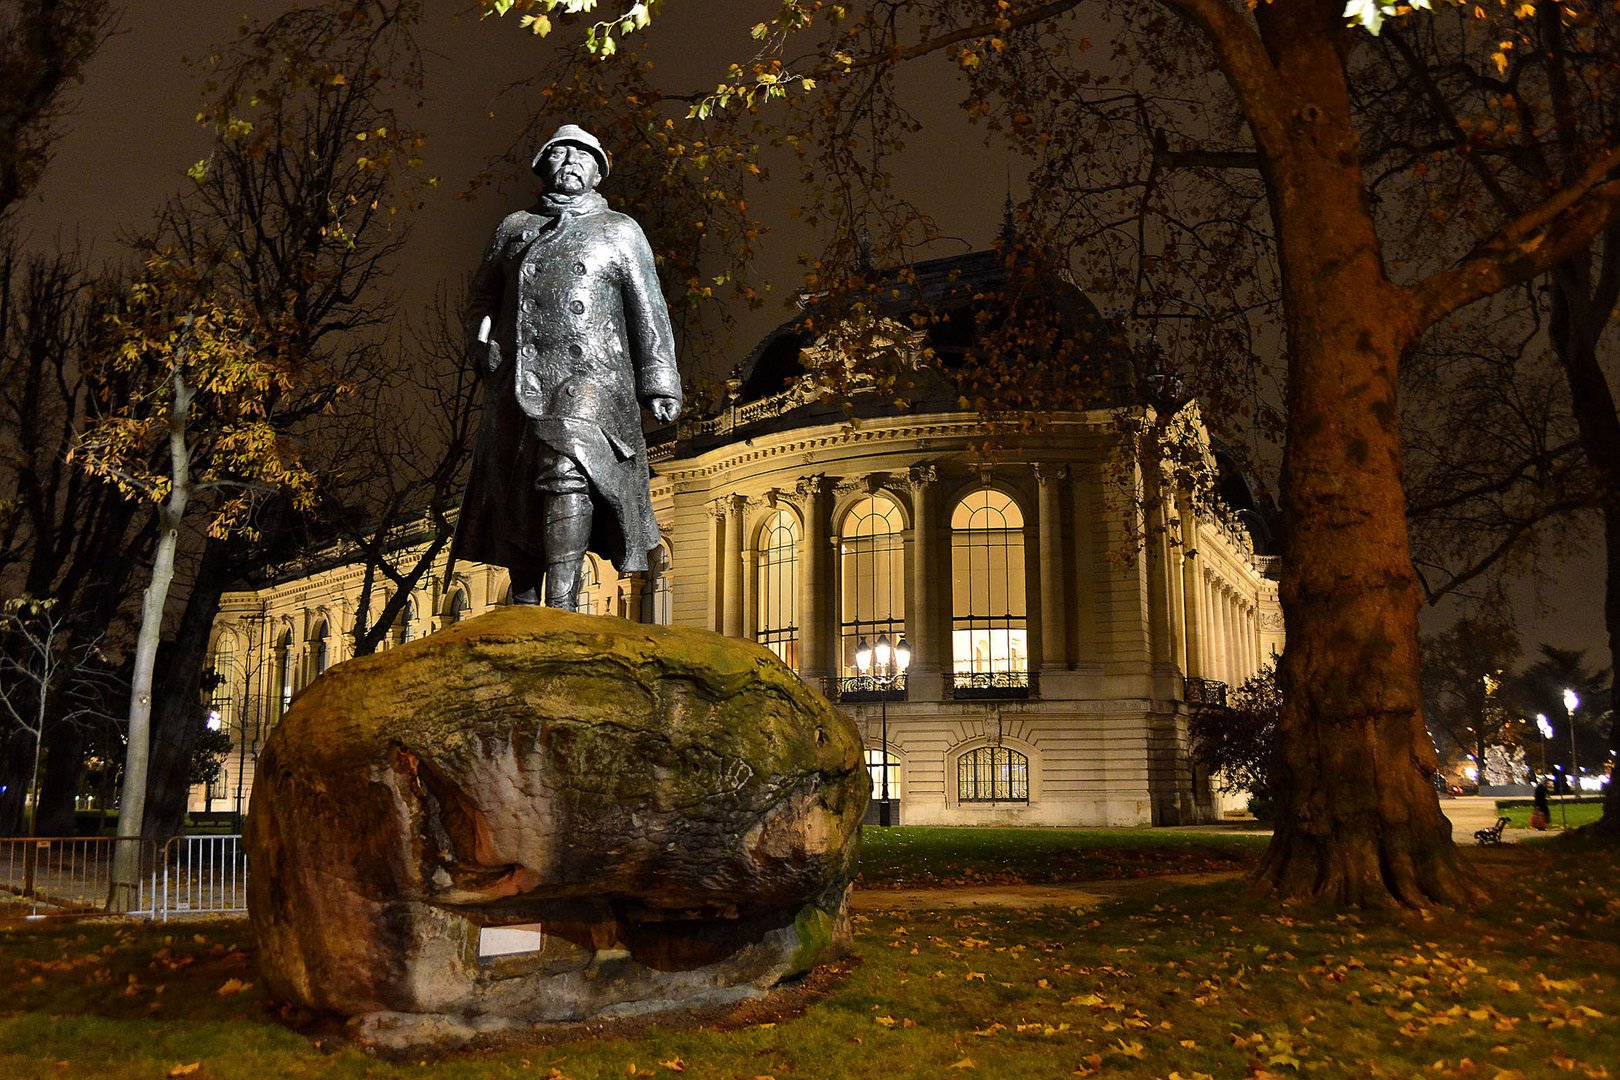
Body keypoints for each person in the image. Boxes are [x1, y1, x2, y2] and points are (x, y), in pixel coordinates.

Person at [452, 124, 681, 610]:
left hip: (594, 376)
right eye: (560, 153)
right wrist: (482, 339)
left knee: (567, 470)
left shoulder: (619, 230)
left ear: (598, 171)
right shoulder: (514, 228)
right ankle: (527, 598)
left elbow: (648, 309)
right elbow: (481, 299)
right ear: (543, 166)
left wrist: (660, 383)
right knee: (519, 490)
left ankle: (561, 602)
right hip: (520, 374)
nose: (571, 161)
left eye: (583, 155)